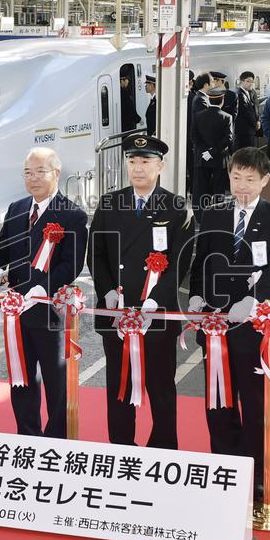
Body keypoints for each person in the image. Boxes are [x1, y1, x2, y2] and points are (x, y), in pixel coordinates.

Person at [188, 147, 270, 501]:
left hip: (252, 325)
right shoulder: (215, 213)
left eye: (250, 179)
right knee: (218, 400)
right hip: (216, 323)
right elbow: (201, 257)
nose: (242, 186)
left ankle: (257, 474)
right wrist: (194, 295)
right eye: (236, 178)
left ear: (265, 180)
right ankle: (224, 467)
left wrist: (257, 297)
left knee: (253, 402)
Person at [87, 134, 193, 449]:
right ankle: (121, 447)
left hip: (156, 315)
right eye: (132, 161)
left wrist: (153, 302)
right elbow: (97, 253)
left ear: (160, 165)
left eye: (145, 161)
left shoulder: (176, 208)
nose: (138, 168)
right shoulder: (109, 204)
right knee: (118, 387)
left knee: (161, 387)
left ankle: (163, 449)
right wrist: (106, 291)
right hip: (117, 313)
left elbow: (179, 264)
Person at [0, 148, 88, 438]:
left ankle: (56, 438)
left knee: (57, 383)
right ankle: (27, 435)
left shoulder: (73, 215)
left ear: (56, 173)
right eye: (28, 172)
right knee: (22, 379)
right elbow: (0, 251)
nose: (33, 178)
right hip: (16, 312)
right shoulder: (17, 209)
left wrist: (43, 289)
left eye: (40, 171)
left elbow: (72, 264)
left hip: (49, 312)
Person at [192, 87, 234, 214]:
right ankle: (217, 215)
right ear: (222, 100)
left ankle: (200, 216)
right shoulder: (227, 117)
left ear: (209, 100)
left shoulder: (198, 116)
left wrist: (205, 152)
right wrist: (213, 152)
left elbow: (194, 137)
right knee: (218, 190)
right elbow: (229, 138)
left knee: (201, 189)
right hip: (219, 159)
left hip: (202, 158)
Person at [234, 71, 259, 149]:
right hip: (244, 132)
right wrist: (255, 124)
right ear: (241, 81)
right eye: (248, 81)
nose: (251, 83)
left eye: (252, 81)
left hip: (248, 130)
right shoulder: (239, 94)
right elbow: (246, 113)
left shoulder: (248, 92)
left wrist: (258, 120)